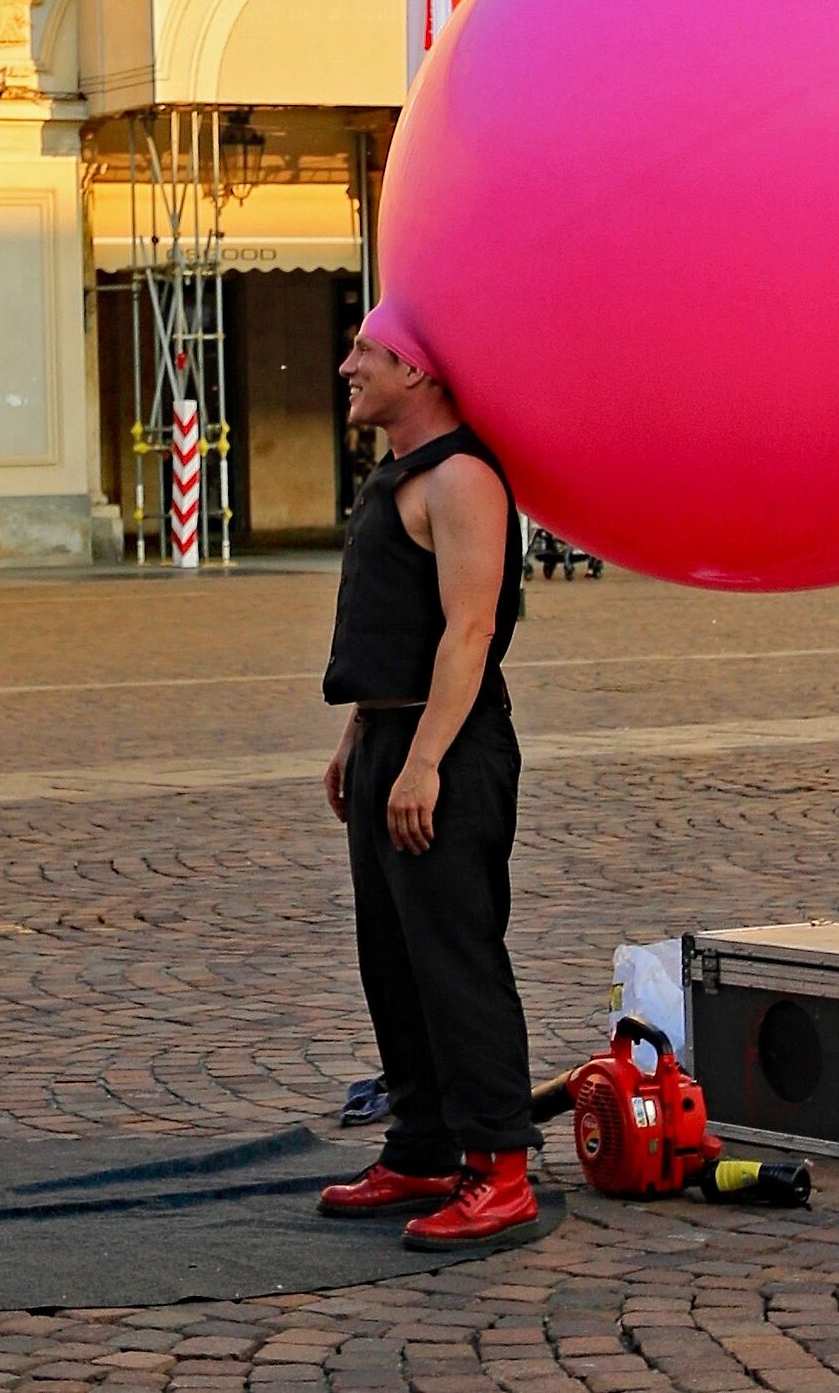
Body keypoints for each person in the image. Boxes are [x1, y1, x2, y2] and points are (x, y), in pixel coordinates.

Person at [314, 323, 540, 1250]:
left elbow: (469, 630)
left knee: (454, 958)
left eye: (364, 351)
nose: (347, 367)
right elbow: (397, 628)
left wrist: (424, 761)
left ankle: (499, 1168)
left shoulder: (462, 480)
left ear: (416, 368)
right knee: (392, 958)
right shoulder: (402, 476)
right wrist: (361, 733)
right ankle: (420, 1145)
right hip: (392, 737)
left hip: (445, 747)